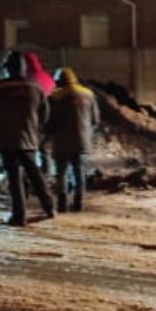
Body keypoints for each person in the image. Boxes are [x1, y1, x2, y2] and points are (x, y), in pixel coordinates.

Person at [0, 50, 54, 226]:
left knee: (14, 178)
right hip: (29, 138)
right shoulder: (35, 87)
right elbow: (45, 113)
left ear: (7, 68)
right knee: (35, 174)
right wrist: (36, 129)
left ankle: (19, 216)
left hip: (6, 138)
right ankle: (49, 207)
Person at [44, 67, 99, 212]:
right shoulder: (88, 94)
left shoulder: (54, 97)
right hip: (82, 141)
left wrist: (47, 135)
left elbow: (49, 122)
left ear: (58, 81)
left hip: (61, 142)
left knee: (61, 173)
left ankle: (62, 205)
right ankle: (78, 203)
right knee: (79, 173)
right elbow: (95, 119)